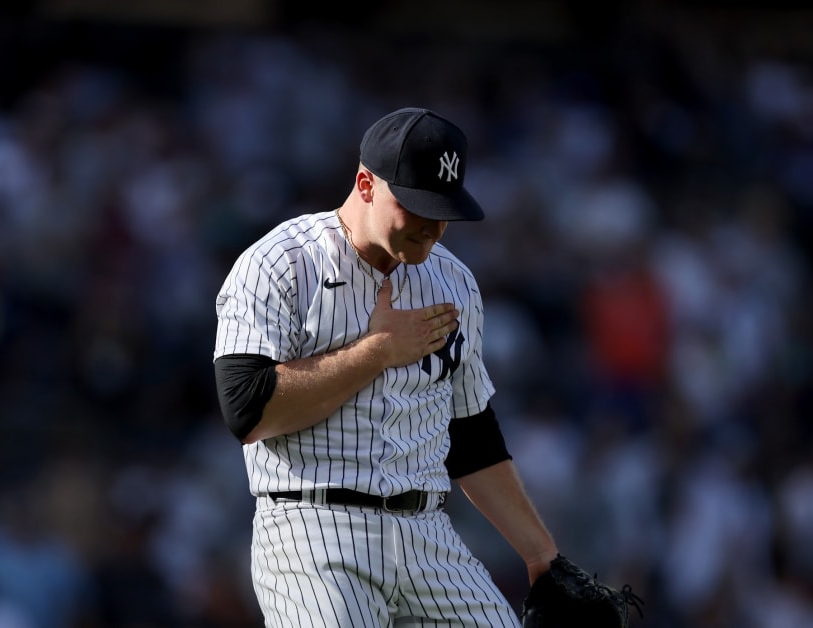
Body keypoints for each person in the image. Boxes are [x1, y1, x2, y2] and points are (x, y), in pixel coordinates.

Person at [213, 107, 559, 626]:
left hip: (427, 536)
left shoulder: (455, 282)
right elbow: (247, 411)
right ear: (365, 183)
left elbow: (471, 435)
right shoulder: (281, 263)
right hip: (315, 531)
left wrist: (541, 556)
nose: (432, 227)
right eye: (417, 206)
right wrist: (378, 350)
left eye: (444, 210)